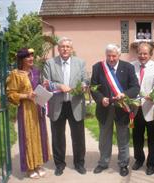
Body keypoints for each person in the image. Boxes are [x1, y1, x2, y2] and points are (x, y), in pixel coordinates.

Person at [91, 43, 139, 176]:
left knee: (123, 137)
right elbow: (93, 87)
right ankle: (103, 162)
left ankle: (123, 164)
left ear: (119, 55)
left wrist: (125, 94)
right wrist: (101, 99)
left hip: (122, 109)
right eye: (108, 56)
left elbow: (135, 87)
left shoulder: (128, 67)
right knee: (104, 137)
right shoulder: (98, 67)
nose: (111, 59)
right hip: (105, 109)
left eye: (114, 56)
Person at [43, 37, 88, 176]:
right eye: (62, 46)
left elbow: (85, 79)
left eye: (68, 46)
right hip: (57, 104)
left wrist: (84, 85)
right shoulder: (50, 63)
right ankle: (59, 164)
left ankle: (79, 163)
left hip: (75, 104)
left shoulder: (80, 63)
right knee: (57, 137)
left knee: (78, 137)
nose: (65, 49)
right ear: (58, 48)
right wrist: (59, 86)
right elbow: (45, 82)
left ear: (71, 49)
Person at [6, 48, 50, 179]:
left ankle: (37, 164)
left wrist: (44, 86)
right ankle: (30, 167)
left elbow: (37, 88)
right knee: (28, 137)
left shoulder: (36, 71)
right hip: (26, 110)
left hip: (38, 108)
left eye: (32, 56)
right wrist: (26, 95)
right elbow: (11, 94)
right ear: (22, 59)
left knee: (39, 137)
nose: (31, 59)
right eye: (28, 57)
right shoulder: (16, 74)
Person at [131, 42, 154, 175]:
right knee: (137, 137)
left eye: (145, 53)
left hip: (150, 108)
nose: (142, 56)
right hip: (135, 107)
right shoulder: (131, 66)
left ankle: (151, 164)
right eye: (140, 53)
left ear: (150, 54)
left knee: (152, 138)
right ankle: (139, 159)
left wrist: (153, 94)